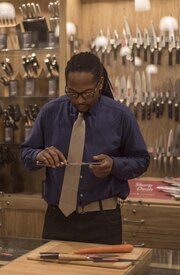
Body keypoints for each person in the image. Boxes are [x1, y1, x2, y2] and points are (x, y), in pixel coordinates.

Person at [21, 51, 150, 245]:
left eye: (87, 93)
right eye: (72, 93)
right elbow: (26, 152)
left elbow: (141, 160)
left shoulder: (120, 115)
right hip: (58, 218)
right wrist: (39, 155)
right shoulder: (50, 111)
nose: (80, 100)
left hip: (102, 221)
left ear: (99, 84)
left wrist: (113, 165)